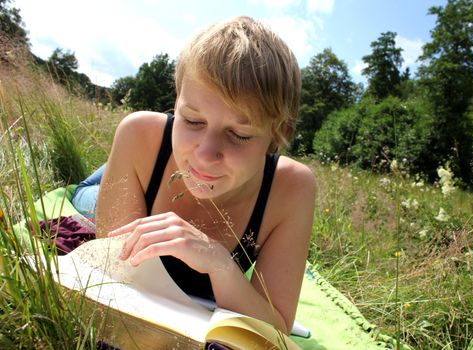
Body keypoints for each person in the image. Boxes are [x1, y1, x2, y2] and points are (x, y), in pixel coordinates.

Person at [92, 16, 316, 335]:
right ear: (176, 103)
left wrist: (220, 263)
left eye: (238, 134)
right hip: (135, 170)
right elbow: (112, 270)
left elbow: (277, 328)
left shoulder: (293, 187)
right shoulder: (138, 132)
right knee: (85, 196)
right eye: (193, 121)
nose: (204, 154)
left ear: (278, 134)